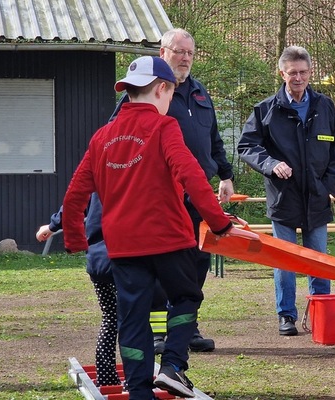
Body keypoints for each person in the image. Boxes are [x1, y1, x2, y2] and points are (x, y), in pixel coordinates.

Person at [63, 55, 233, 399]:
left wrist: (75, 239)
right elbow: (192, 175)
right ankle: (172, 366)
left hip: (123, 247)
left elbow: (75, 194)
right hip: (169, 239)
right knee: (185, 297)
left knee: (133, 317)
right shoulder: (163, 126)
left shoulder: (102, 137)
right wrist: (218, 222)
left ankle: (139, 390)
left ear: (128, 92)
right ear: (163, 89)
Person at [112, 28, 235, 353]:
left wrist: (225, 174)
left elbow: (213, 139)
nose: (184, 58)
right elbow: (116, 135)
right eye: (178, 52)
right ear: (162, 53)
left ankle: (186, 325)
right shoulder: (146, 91)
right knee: (159, 262)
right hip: (162, 196)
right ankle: (156, 332)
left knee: (197, 262)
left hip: (199, 194)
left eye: (189, 53)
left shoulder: (199, 92)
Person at [238, 46, 335, 336]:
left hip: (318, 197)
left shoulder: (324, 107)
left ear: (310, 72)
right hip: (283, 197)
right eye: (292, 73)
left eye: (303, 72)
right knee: (284, 261)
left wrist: (330, 186)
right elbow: (246, 147)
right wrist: (271, 164)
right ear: (282, 73)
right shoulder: (265, 109)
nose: (298, 78)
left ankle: (321, 310)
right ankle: (286, 315)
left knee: (319, 260)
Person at [36, 195, 120, 388]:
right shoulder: (129, 176)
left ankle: (106, 376)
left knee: (110, 317)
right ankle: (135, 376)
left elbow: (73, 203)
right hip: (126, 260)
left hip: (99, 261)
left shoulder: (95, 180)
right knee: (132, 321)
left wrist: (51, 226)